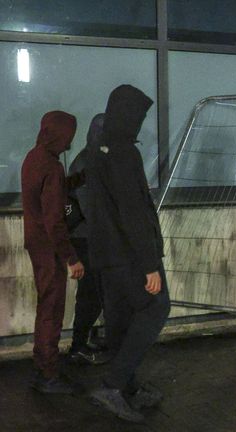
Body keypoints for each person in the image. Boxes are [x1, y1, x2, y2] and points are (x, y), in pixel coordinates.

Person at [86, 85, 170, 423]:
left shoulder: (97, 150)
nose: (140, 121)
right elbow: (132, 211)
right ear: (126, 113)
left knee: (121, 319)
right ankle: (113, 385)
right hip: (129, 255)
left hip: (107, 253)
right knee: (156, 306)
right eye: (139, 115)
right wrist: (149, 264)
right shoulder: (123, 152)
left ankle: (128, 387)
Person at [21, 111, 85, 394]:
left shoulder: (33, 158)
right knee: (52, 309)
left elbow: (51, 191)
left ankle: (43, 366)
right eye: (68, 136)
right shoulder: (52, 167)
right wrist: (71, 257)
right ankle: (49, 375)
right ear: (59, 134)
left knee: (45, 306)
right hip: (50, 249)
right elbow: (54, 220)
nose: (69, 143)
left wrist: (78, 179)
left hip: (36, 244)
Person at [65, 114, 110, 365]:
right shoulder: (87, 162)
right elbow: (87, 204)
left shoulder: (89, 159)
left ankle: (82, 342)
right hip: (86, 237)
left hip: (89, 236)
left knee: (94, 293)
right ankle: (78, 347)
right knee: (90, 294)